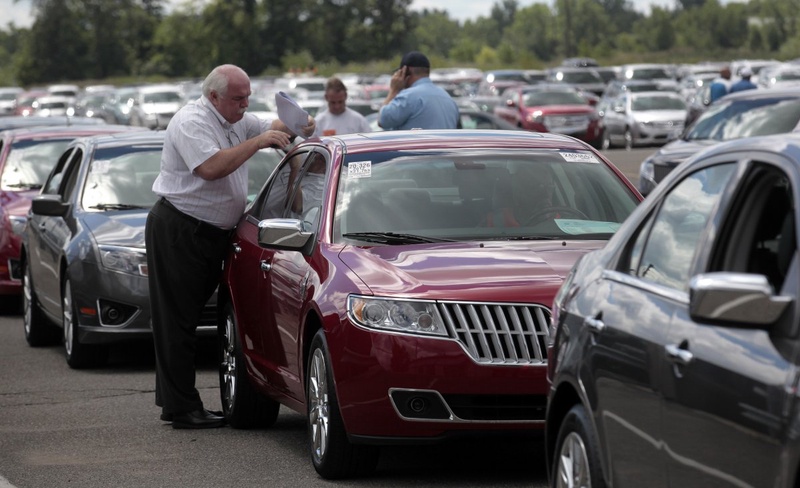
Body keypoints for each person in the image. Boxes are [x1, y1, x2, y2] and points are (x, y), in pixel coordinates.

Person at [145, 64, 315, 430]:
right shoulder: (191, 121)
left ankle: (174, 403)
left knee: (184, 320)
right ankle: (183, 408)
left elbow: (275, 127)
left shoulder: (235, 119)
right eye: (238, 98)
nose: (245, 104)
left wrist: (300, 123)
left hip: (210, 233)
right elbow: (210, 168)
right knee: (177, 322)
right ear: (214, 97)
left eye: (248, 97)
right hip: (181, 228)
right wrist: (257, 143)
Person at [379, 51, 459, 130]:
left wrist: (393, 90)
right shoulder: (447, 97)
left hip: (417, 140)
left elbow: (382, 120)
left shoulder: (409, 96)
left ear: (405, 71)